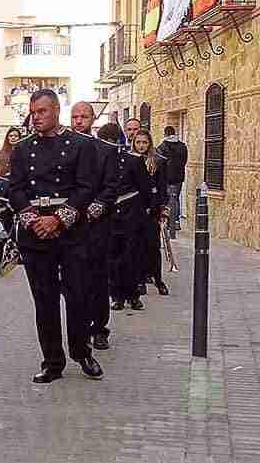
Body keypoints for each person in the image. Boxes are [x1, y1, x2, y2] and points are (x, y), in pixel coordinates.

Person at [8, 89, 103, 384]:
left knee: (77, 296)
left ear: (56, 111)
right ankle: (52, 361)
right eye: (32, 112)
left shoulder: (80, 145)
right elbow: (15, 188)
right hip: (35, 232)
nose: (35, 118)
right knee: (44, 300)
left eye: (41, 112)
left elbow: (86, 186)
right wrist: (32, 218)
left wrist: (58, 219)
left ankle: (81, 351)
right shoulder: (23, 149)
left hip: (70, 231)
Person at [71, 102, 119, 351]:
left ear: (92, 119)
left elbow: (112, 186)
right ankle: (78, 328)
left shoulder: (106, 150)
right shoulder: (63, 148)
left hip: (97, 224)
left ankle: (99, 328)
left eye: (84, 116)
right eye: (75, 116)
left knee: (98, 278)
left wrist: (98, 206)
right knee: (74, 281)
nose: (79, 121)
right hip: (69, 225)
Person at [99, 123, 154, 311]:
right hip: (110, 215)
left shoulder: (132, 161)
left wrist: (144, 211)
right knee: (112, 257)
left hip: (132, 214)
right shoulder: (97, 162)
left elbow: (146, 190)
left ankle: (133, 295)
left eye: (109, 141)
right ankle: (116, 295)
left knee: (132, 256)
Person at [135, 130, 171, 297]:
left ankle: (158, 280)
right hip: (135, 210)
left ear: (149, 143)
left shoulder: (158, 162)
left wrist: (163, 207)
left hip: (153, 209)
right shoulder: (130, 160)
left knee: (153, 247)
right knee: (138, 248)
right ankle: (140, 280)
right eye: (138, 142)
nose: (141, 145)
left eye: (144, 142)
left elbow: (162, 187)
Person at [157, 126, 188, 239]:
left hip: (166, 177)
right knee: (175, 199)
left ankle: (170, 222)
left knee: (168, 200)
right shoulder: (183, 146)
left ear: (165, 134)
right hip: (179, 177)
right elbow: (184, 161)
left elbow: (159, 163)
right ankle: (176, 221)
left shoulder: (162, 146)